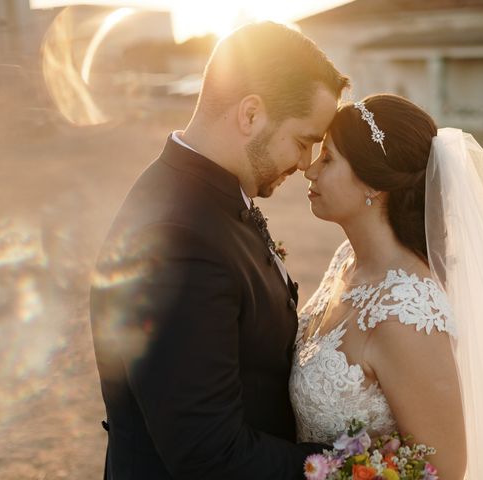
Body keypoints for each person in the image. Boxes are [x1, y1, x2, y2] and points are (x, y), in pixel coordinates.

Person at [291, 94, 483, 479]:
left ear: (374, 183)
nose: (310, 169)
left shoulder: (404, 313)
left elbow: (445, 470)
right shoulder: (346, 261)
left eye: (329, 158)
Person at [90, 21, 349, 479]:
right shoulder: (178, 239)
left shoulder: (205, 192)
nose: (306, 164)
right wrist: (352, 467)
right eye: (304, 141)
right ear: (250, 115)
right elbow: (211, 456)